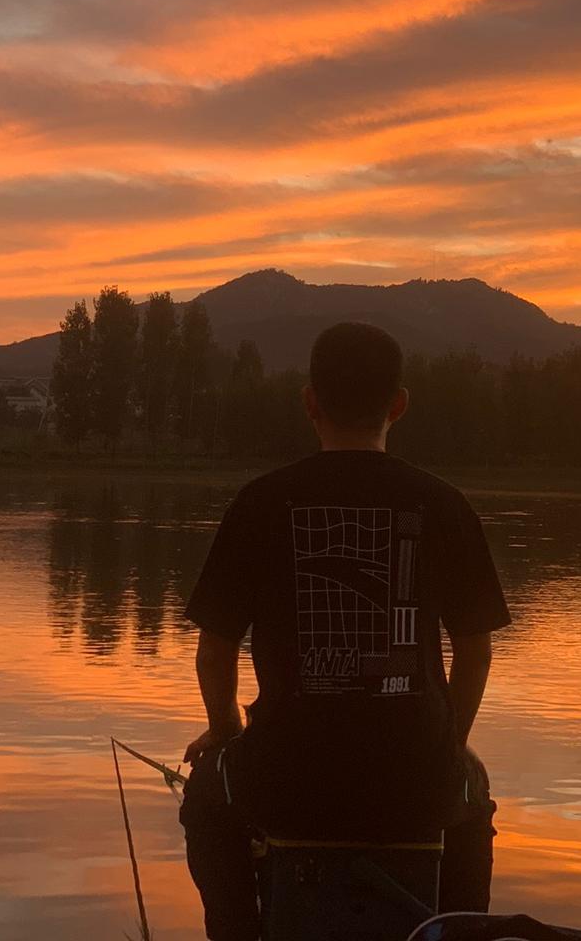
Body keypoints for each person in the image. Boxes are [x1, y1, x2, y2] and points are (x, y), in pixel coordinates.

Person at [179, 321, 511, 941]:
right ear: (399, 404)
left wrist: (226, 735)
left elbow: (214, 655)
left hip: (286, 781)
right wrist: (449, 740)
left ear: (309, 402)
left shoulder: (260, 502)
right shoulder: (445, 505)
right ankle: (455, 929)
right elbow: (476, 652)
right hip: (416, 782)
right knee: (472, 800)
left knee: (205, 797)